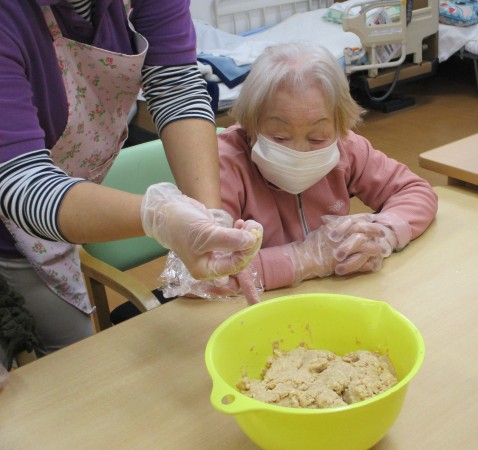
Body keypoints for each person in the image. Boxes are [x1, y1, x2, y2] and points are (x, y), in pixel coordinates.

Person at [0, 0, 262, 357]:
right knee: (58, 362)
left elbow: (176, 88)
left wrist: (209, 222)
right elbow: (22, 181)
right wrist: (159, 216)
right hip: (18, 211)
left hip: (62, 194)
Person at [162, 41, 437, 298]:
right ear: (250, 124)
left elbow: (415, 191)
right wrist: (303, 258)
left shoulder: (347, 148)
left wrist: (383, 233)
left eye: (317, 138)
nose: (299, 152)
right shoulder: (222, 164)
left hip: (333, 298)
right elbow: (193, 276)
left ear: (340, 125)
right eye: (280, 137)